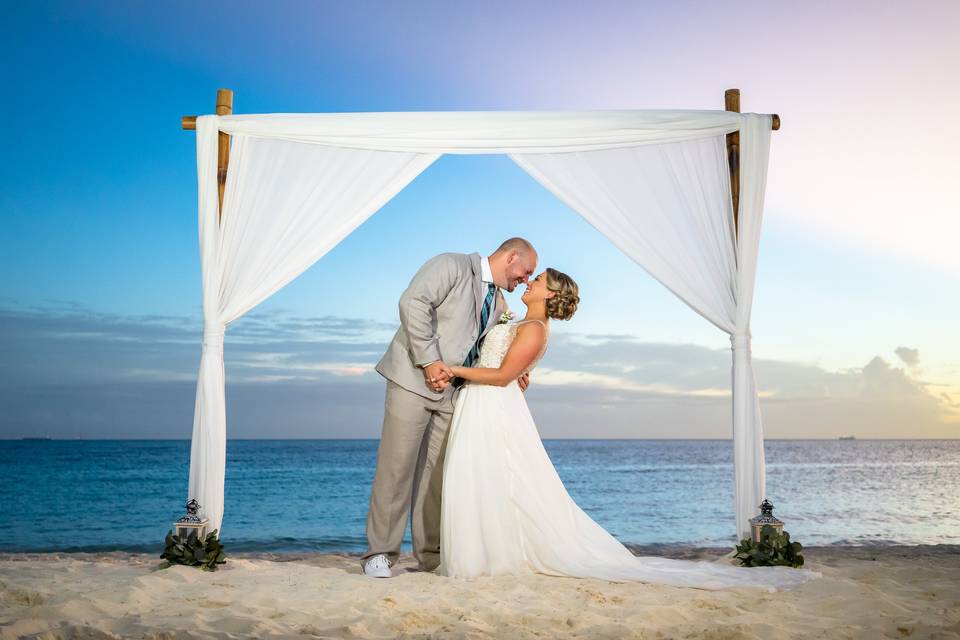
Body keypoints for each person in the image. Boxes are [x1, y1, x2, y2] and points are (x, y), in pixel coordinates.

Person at [436, 268, 819, 591]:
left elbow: (503, 375)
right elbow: (512, 369)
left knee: (500, 477)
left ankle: (495, 555)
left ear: (551, 293)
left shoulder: (536, 327)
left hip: (492, 403)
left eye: (538, 279)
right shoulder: (522, 323)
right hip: (482, 403)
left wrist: (453, 370)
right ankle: (487, 550)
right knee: (486, 479)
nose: (530, 282)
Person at [361, 238, 538, 578]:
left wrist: (515, 371)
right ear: (511, 256)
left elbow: (488, 349)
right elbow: (413, 303)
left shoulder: (499, 303)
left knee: (437, 477)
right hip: (412, 380)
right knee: (396, 469)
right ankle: (379, 555)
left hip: (453, 394)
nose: (526, 280)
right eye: (526, 271)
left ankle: (430, 555)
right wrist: (429, 361)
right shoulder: (451, 265)